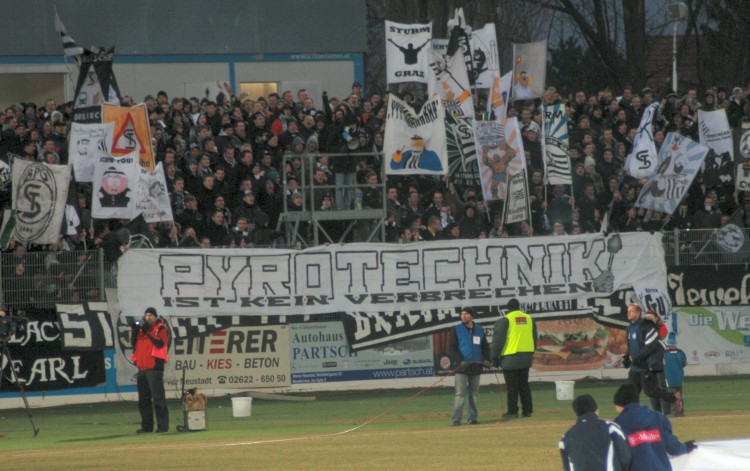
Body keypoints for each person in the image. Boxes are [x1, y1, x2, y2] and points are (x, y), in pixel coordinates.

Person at [613, 383, 696, 471]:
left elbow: (619, 458)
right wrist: (685, 447)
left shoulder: (617, 426)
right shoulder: (658, 418)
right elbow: (672, 447)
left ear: (620, 404)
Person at [622, 303, 683, 414]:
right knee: (631, 392)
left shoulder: (646, 325)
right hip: (635, 367)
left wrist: (634, 357)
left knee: (650, 391)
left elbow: (650, 347)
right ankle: (633, 414)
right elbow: (631, 347)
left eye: (631, 311)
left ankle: (674, 397)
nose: (628, 313)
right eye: (628, 311)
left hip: (646, 366)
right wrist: (626, 356)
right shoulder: (629, 328)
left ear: (638, 312)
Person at [559, 394, 631, 471]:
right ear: (596, 410)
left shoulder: (565, 438)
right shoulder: (611, 428)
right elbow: (625, 458)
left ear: (577, 413)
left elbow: (567, 467)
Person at [491, 298, 537, 418]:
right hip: (526, 357)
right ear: (519, 307)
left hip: (510, 357)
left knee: (512, 387)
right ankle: (527, 411)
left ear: (508, 309)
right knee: (524, 385)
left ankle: (512, 411)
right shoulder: (530, 319)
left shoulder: (505, 320)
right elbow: (534, 338)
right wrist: (531, 352)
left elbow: (497, 342)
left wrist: (495, 358)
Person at [449, 307, 490, 426]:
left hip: (476, 366)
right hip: (462, 367)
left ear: (472, 316)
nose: (463, 316)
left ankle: (472, 418)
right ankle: (456, 418)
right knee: (460, 394)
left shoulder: (480, 330)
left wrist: (487, 359)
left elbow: (485, 347)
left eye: (466, 314)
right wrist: (460, 360)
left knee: (473, 394)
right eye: (462, 314)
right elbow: (452, 348)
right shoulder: (456, 329)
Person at [131, 307, 170, 433]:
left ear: (155, 316)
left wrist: (148, 332)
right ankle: (147, 427)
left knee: (158, 398)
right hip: (142, 367)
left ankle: (163, 426)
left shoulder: (161, 328)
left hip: (154, 367)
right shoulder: (142, 330)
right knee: (143, 400)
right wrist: (135, 331)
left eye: (150, 315)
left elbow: (160, 344)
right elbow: (133, 344)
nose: (147, 318)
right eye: (146, 315)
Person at [664, 333, 687, 417]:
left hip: (669, 377)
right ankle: (681, 412)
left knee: (671, 395)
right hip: (679, 377)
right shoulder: (680, 352)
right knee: (679, 394)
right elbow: (684, 363)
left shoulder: (665, 353)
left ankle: (674, 413)